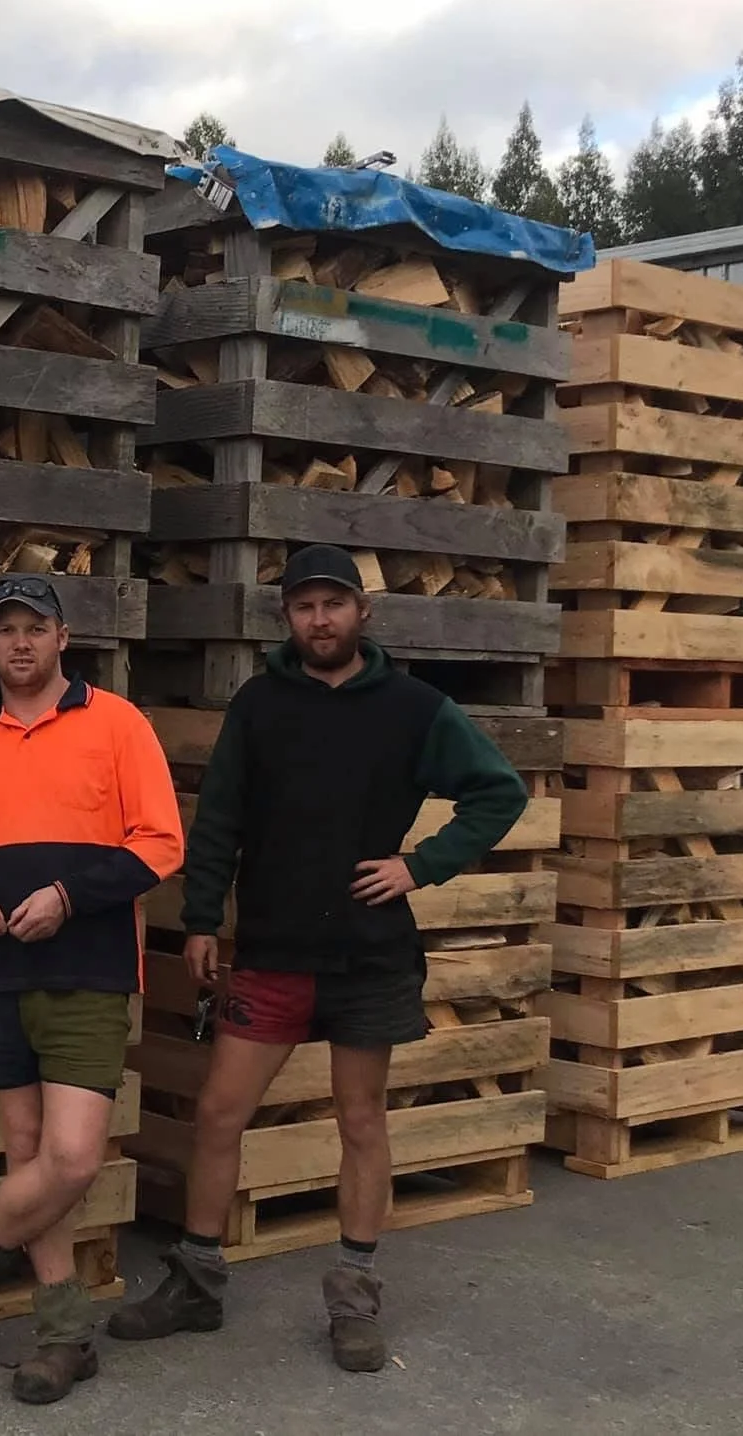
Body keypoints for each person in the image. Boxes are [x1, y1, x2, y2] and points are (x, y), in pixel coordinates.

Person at [107, 542, 527, 1371]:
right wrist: (200, 919)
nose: (320, 618)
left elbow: (498, 791)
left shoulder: (413, 707)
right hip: (271, 951)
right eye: (305, 606)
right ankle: (196, 1280)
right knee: (221, 1112)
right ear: (288, 617)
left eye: (335, 604)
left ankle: (355, 1296)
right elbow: (220, 817)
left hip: (369, 956)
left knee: (361, 1120)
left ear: (363, 614)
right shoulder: (260, 706)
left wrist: (421, 864)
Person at [0, 575, 185, 1405]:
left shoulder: (118, 723)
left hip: (90, 967)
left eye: (37, 627)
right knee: (30, 1155)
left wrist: (72, 896)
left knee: (71, 1160)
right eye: (7, 630)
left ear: (65, 637)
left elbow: (161, 843)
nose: (22, 643)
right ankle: (64, 1333)